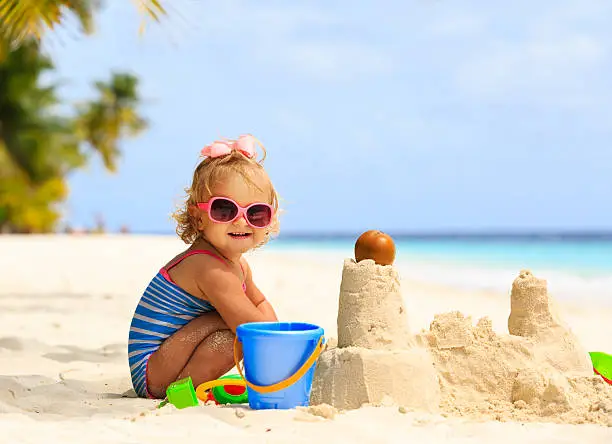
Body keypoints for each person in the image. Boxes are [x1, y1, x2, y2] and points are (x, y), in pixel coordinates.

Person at [128, 134, 280, 399]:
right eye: (224, 211)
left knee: (238, 327)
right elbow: (252, 328)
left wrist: (277, 340)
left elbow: (261, 304)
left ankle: (191, 385)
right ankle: (183, 391)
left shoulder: (239, 266)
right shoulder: (208, 267)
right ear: (198, 218)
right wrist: (280, 356)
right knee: (238, 333)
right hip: (152, 369)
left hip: (170, 354)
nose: (241, 222)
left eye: (255, 213)